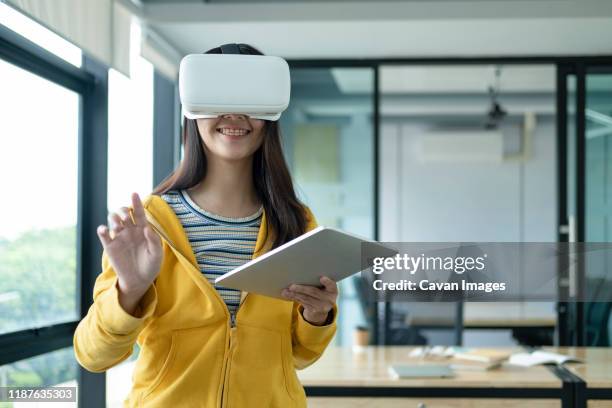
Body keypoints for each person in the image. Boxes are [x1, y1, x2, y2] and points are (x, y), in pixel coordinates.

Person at [73, 43, 338, 407]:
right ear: (191, 109)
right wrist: (129, 290)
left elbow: (299, 356)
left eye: (250, 103)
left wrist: (317, 315)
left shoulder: (296, 223)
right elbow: (93, 355)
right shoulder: (149, 223)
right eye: (218, 99)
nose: (234, 115)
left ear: (270, 116)